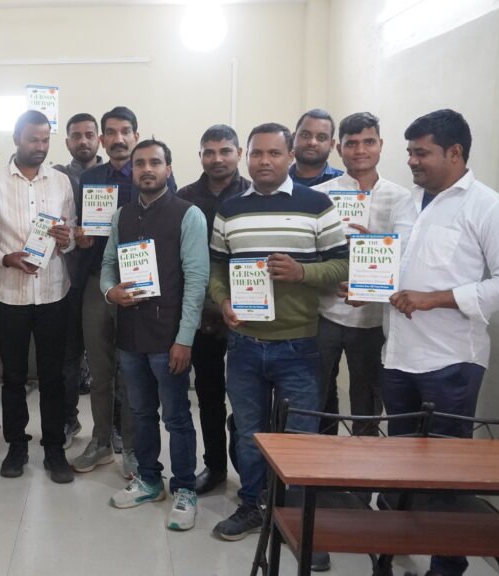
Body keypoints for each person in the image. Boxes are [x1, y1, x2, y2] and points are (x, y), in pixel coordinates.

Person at [373, 109, 499, 576]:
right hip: (398, 355)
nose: (411, 161)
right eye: (410, 152)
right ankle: (391, 550)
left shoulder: (492, 209)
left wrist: (438, 299)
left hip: (450, 363)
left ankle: (447, 565)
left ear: (455, 152)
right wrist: (369, 273)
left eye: (421, 153)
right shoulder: (408, 205)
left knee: (446, 473)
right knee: (401, 468)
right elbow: (403, 273)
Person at [208, 124, 348, 552]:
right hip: (244, 343)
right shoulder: (230, 210)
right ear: (246, 157)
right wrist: (223, 302)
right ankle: (251, 504)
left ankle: (297, 520)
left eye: (273, 153)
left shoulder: (317, 204)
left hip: (300, 344)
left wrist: (302, 271)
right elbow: (216, 269)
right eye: (257, 153)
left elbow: (343, 265)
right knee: (248, 433)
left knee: (300, 439)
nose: (264, 161)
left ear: (290, 156)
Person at [104, 140, 207, 531]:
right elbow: (108, 266)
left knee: (176, 417)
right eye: (140, 163)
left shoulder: (188, 214)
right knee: (140, 412)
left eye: (155, 162)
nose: (147, 169)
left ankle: (184, 488)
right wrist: (110, 292)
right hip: (130, 335)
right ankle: (148, 479)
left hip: (168, 337)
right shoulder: (122, 216)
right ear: (131, 170)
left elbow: (196, 281)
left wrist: (185, 339)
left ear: (168, 168)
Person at [73, 106, 176, 478]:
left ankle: (131, 447)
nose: (118, 139)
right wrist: (81, 237)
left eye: (125, 131)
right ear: (102, 139)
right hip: (96, 285)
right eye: (111, 132)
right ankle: (101, 441)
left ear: (136, 135)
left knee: (133, 372)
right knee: (100, 371)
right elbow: (81, 229)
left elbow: (169, 227)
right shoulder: (89, 178)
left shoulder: (152, 175)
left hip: (140, 286)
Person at [0, 110, 77, 483]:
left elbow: (69, 233)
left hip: (53, 293)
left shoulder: (61, 182)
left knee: (53, 376)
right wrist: (4, 258)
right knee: (14, 377)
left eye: (45, 139)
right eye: (33, 139)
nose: (40, 146)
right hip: (10, 294)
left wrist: (67, 240)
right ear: (16, 139)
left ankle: (54, 448)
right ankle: (16, 446)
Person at [312, 113, 416, 435]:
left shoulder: (402, 198)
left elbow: (406, 258)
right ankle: (319, 464)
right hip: (324, 312)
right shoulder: (320, 195)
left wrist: (374, 245)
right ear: (338, 148)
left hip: (373, 319)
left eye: (368, 142)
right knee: (316, 397)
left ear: (380, 145)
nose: (360, 150)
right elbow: (307, 251)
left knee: (367, 404)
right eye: (352, 143)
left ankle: (362, 467)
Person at [176, 124, 250, 495]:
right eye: (209, 152)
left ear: (239, 153)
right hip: (202, 314)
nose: (217, 159)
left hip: (248, 312)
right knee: (207, 395)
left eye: (225, 151)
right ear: (201, 155)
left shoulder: (254, 195)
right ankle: (216, 466)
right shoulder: (185, 197)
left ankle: (250, 470)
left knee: (247, 397)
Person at [53, 112, 103, 441]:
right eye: (76, 135)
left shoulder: (115, 175)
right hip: (67, 279)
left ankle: (111, 425)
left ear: (99, 138)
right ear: (68, 141)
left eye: (89, 134)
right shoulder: (57, 178)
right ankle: (69, 419)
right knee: (67, 357)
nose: (83, 141)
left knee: (109, 360)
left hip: (105, 278)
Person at [289, 108, 344, 187]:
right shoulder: (277, 181)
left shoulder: (344, 184)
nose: (312, 142)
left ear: (331, 145)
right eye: (305, 135)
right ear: (293, 138)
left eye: (321, 137)